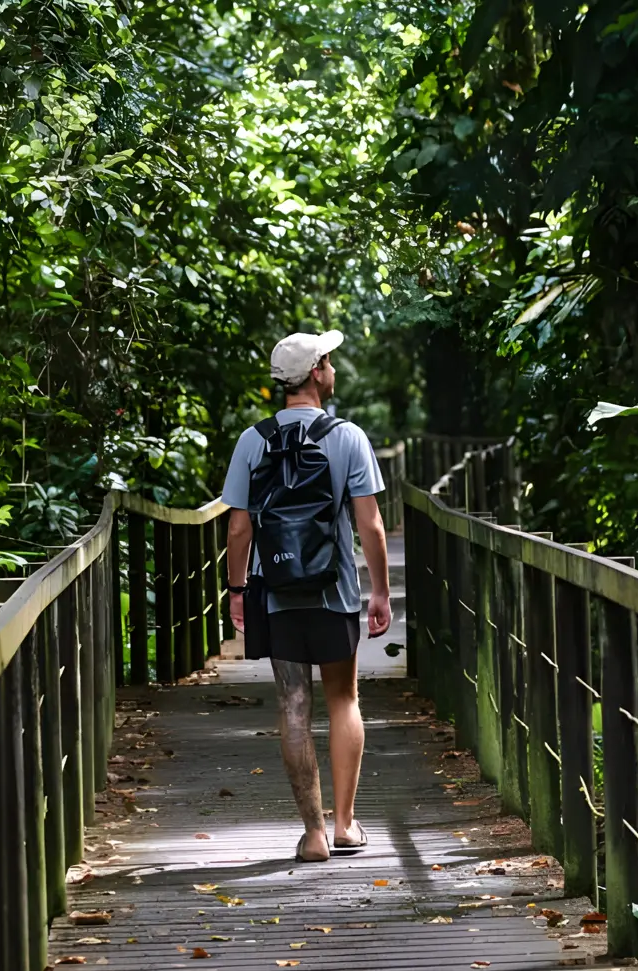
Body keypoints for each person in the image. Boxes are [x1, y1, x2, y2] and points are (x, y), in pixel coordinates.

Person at [221, 330, 391, 863]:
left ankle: (313, 834)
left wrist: (237, 589)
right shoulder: (347, 437)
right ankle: (345, 826)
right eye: (330, 360)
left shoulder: (253, 441)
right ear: (316, 371)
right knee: (344, 700)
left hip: (277, 590)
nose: (334, 367)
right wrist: (380, 592)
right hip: (333, 588)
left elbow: (238, 530)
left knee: (294, 704)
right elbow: (372, 527)